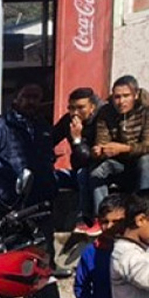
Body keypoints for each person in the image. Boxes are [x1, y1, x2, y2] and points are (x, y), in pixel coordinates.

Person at [0, 83, 61, 298]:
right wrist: (4, 194)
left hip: (39, 207)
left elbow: (47, 162)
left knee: (43, 260)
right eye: (27, 96)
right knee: (4, 260)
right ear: (15, 98)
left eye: (36, 97)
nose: (31, 101)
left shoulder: (42, 128)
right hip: (5, 209)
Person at [90, 76, 149, 220]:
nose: (121, 101)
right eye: (117, 97)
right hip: (124, 167)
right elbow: (102, 141)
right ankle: (102, 217)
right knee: (98, 170)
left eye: (126, 96)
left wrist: (124, 148)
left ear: (136, 95)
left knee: (145, 161)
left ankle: (143, 213)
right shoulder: (106, 113)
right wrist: (99, 151)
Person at [52, 87, 102, 234]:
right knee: (49, 177)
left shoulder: (101, 120)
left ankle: (84, 219)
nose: (75, 113)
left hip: (96, 170)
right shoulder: (68, 121)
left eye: (81, 108)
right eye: (71, 108)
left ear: (92, 107)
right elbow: (49, 139)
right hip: (77, 170)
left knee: (83, 173)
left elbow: (88, 160)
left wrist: (77, 140)